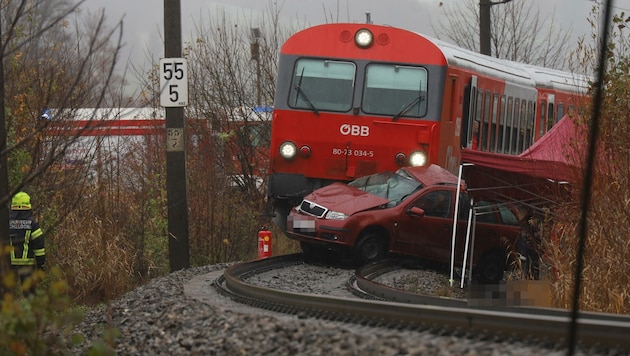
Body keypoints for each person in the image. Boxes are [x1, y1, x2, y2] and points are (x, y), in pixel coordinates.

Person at [9, 191, 45, 295]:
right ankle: (32, 311)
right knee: (29, 294)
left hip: (9, 265)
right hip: (27, 265)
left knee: (7, 294)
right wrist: (40, 265)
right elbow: (39, 247)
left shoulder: (5, 222)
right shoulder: (32, 224)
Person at [514, 207, 540, 280]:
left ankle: (532, 278)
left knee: (533, 263)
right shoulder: (524, 223)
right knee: (525, 264)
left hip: (531, 247)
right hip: (525, 247)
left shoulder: (532, 223)